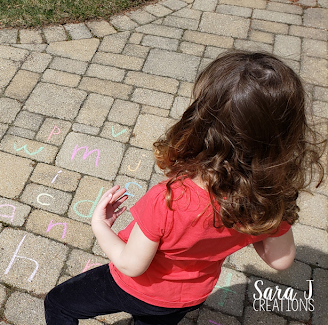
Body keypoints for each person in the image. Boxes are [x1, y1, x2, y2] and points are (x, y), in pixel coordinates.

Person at [44, 51, 326, 325]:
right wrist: (255, 227)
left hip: (135, 288)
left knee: (58, 303)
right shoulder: (272, 198)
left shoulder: (170, 199)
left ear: (203, 123)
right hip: (188, 298)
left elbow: (131, 265)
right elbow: (281, 259)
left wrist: (100, 226)